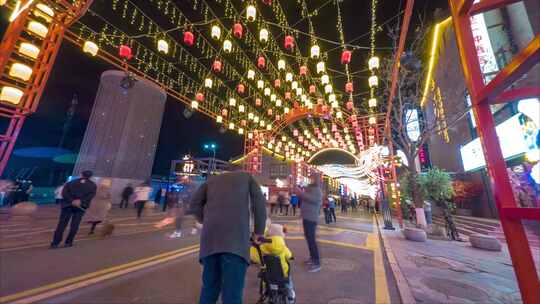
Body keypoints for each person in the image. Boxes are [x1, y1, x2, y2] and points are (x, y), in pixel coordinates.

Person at [190, 170, 267, 304]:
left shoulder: (211, 180)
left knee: (209, 290)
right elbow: (259, 204)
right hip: (235, 243)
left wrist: (205, 220)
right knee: (232, 294)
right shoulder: (247, 177)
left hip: (210, 242)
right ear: (239, 169)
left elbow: (194, 204)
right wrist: (258, 232)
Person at [50, 170, 97, 248]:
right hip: (81, 207)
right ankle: (68, 242)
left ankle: (55, 243)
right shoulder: (93, 185)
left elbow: (64, 193)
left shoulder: (71, 183)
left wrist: (71, 200)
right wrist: (80, 201)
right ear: (91, 176)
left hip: (67, 205)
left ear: (81, 174)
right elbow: (90, 196)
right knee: (75, 225)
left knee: (61, 224)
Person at [250, 223, 296, 302]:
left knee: (266, 281)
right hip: (283, 274)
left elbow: (253, 257)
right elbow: (289, 255)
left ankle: (266, 293)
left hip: (267, 275)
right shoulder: (283, 247)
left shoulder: (261, 247)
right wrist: (291, 256)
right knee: (288, 280)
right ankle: (290, 292)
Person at [297, 179, 323, 272]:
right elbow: (305, 198)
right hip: (307, 217)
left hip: (311, 218)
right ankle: (312, 258)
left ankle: (316, 262)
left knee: (311, 239)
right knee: (309, 238)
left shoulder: (317, 190)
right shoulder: (310, 189)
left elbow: (312, 199)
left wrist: (301, 193)